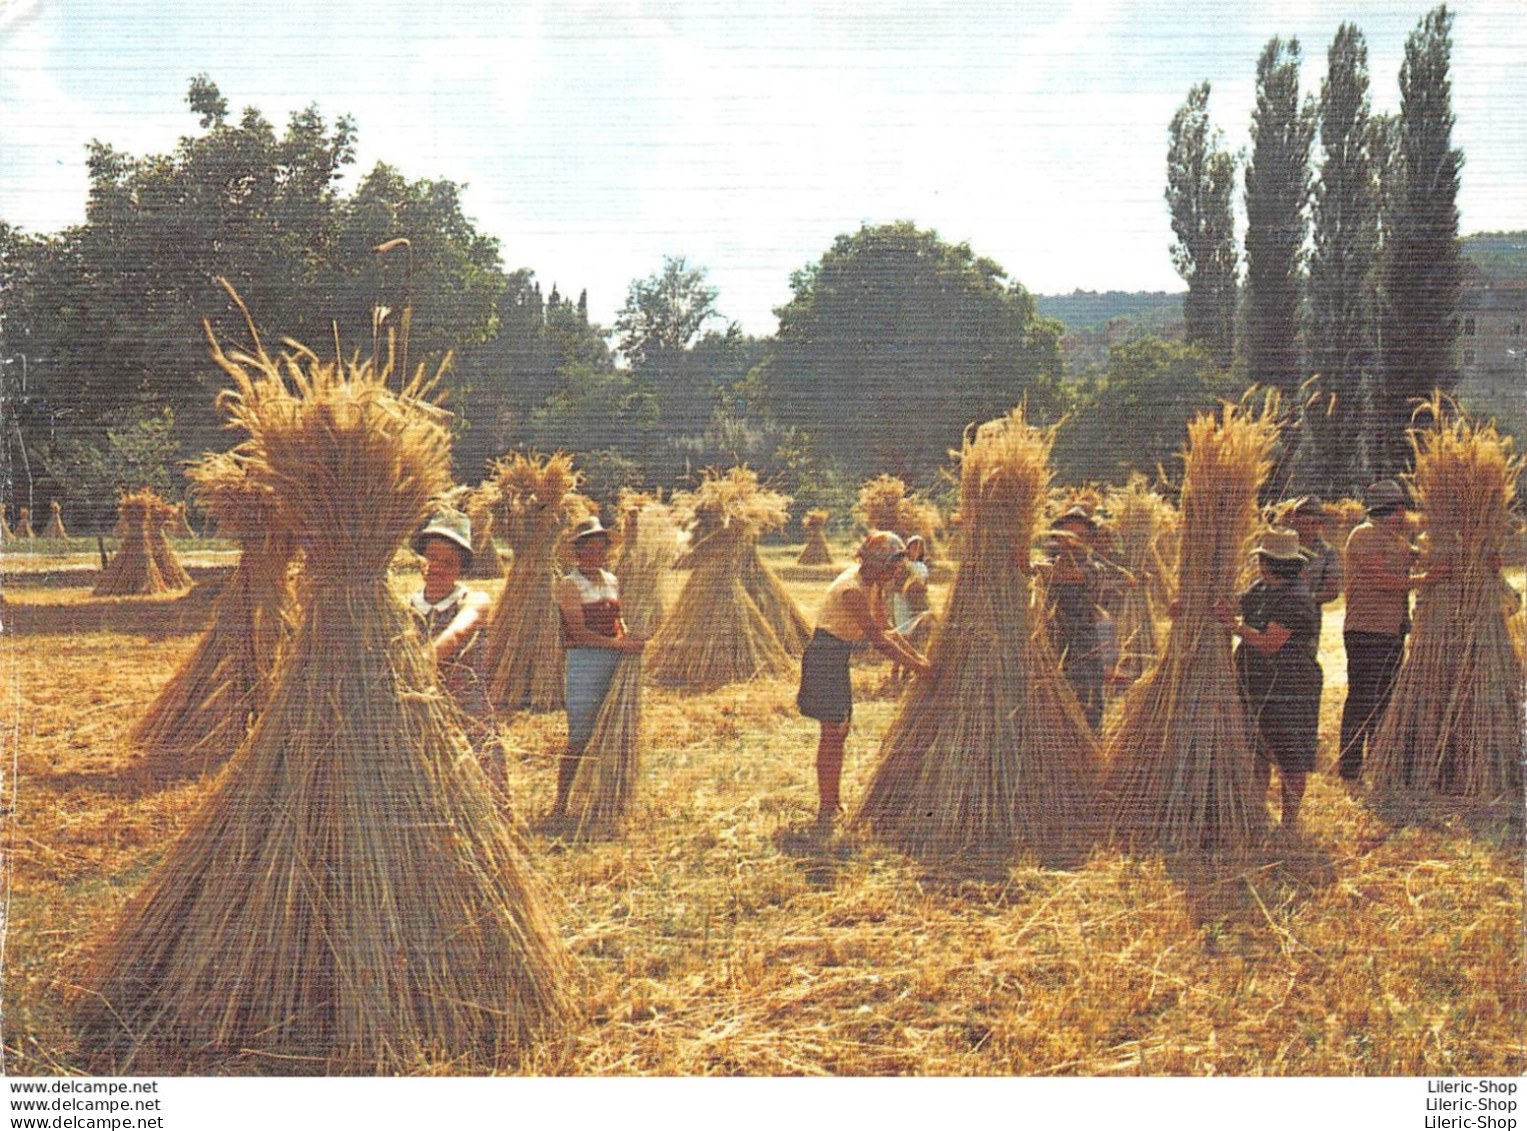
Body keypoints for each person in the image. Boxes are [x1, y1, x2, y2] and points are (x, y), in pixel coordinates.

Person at [798, 531, 931, 832]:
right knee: (832, 733)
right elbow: (877, 640)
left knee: (840, 731)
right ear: (875, 562)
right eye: (892, 565)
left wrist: (920, 659)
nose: (896, 572)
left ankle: (831, 802)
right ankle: (827, 806)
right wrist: (919, 668)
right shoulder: (853, 590)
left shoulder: (874, 585)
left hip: (837, 658)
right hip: (824, 657)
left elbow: (888, 630)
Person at [1215, 528, 1323, 834]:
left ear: (1268, 563)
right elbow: (1237, 604)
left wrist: (1234, 626)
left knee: (1290, 753)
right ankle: (1257, 810)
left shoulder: (1296, 598)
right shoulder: (1262, 588)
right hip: (1256, 680)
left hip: (1290, 685)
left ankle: (1289, 822)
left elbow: (1269, 642)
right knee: (1255, 748)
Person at [1336, 479, 1444, 782]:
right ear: (1394, 510)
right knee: (1363, 698)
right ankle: (1350, 765)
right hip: (1367, 630)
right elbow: (1381, 579)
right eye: (1401, 509)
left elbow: (1417, 556)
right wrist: (1426, 579)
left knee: (1384, 698)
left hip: (1391, 631)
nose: (1404, 515)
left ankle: (1377, 762)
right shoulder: (1364, 535)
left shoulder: (1394, 538)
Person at [551, 515, 645, 822]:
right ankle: (561, 803)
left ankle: (606, 802)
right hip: (584, 664)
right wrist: (620, 645)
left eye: (599, 550)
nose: (593, 556)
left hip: (614, 664)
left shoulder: (611, 580)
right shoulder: (569, 584)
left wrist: (628, 636)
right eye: (587, 550)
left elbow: (617, 621)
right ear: (577, 553)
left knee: (613, 731)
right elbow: (578, 633)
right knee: (579, 736)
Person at [409, 508, 498, 773]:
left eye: (448, 562)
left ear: (461, 568)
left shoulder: (474, 600)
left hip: (466, 710)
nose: (437, 566)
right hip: (421, 710)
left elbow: (457, 634)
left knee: (481, 780)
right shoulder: (407, 607)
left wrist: (419, 664)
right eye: (432, 557)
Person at [1040, 507, 1136, 729]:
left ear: (1089, 542)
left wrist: (1029, 568)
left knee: (1086, 705)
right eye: (1066, 535)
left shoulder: (1094, 568)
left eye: (1078, 536)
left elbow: (1071, 577)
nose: (1070, 541)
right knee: (1049, 707)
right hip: (1049, 642)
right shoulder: (1047, 563)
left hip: (1083, 647)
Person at [888, 534, 933, 681]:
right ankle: (895, 670)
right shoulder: (903, 565)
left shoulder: (923, 567)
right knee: (903, 637)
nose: (916, 550)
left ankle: (906, 672)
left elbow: (925, 586)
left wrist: (920, 590)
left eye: (919, 548)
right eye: (913, 547)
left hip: (916, 604)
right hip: (902, 602)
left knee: (913, 637)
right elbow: (896, 585)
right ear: (908, 549)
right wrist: (907, 587)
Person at [1287, 496, 1343, 605]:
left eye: (1314, 523)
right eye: (1304, 522)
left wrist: (1307, 598)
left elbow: (1332, 591)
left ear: (1320, 523)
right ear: (1294, 522)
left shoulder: (1328, 552)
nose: (1309, 526)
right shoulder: (1283, 546)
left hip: (1310, 614)